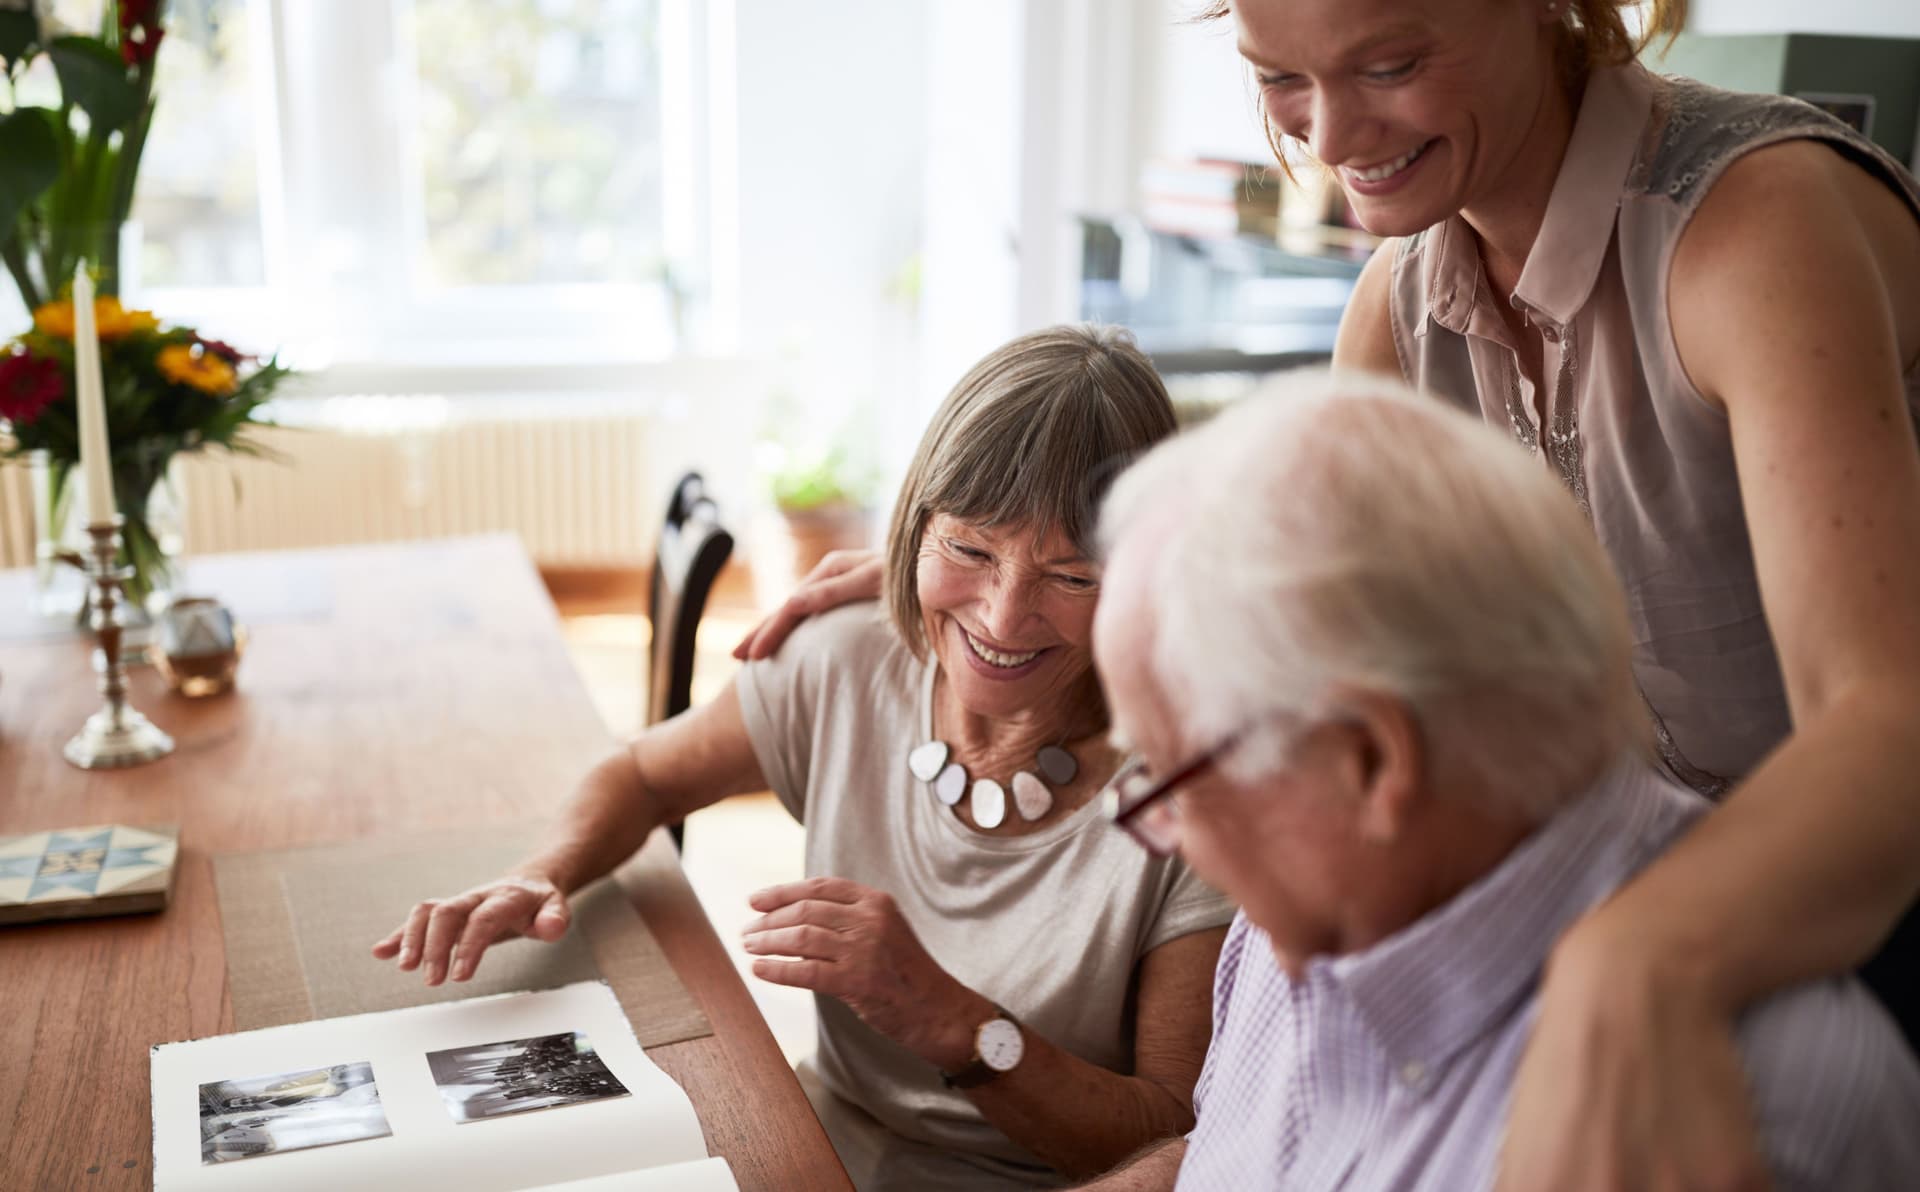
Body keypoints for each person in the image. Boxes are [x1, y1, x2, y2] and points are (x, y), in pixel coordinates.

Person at [741, 2, 1920, 1185]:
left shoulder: (1755, 228)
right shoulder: (1401, 296)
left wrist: (1644, 960)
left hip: (1821, 903)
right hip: (1568, 902)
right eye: (1278, 78)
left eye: (1393, 64)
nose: (1333, 134)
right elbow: (1301, 607)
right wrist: (954, 572)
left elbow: (1891, 726)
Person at [371, 324, 1234, 1190]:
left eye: (1073, 576)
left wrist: (952, 1022)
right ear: (914, 526)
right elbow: (641, 774)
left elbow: (1167, 1131)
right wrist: (544, 873)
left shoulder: (1199, 789)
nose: (1004, 620)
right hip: (815, 1144)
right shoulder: (850, 656)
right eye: (970, 549)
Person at [1080, 372, 1920, 1190]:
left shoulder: (1741, 1113)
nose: (1166, 836)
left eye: (1167, 785)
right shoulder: (1284, 936)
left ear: (1370, 762)